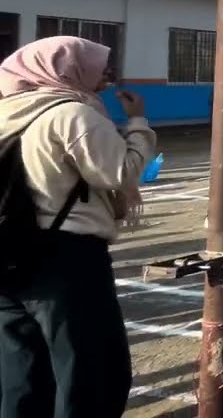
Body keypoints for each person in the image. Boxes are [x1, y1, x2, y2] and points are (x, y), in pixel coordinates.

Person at [0, 37, 154, 418]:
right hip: (66, 257)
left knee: (22, 371)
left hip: (7, 253)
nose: (105, 76)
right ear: (67, 69)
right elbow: (121, 172)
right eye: (97, 66)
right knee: (89, 371)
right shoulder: (72, 115)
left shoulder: (6, 112)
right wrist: (138, 123)